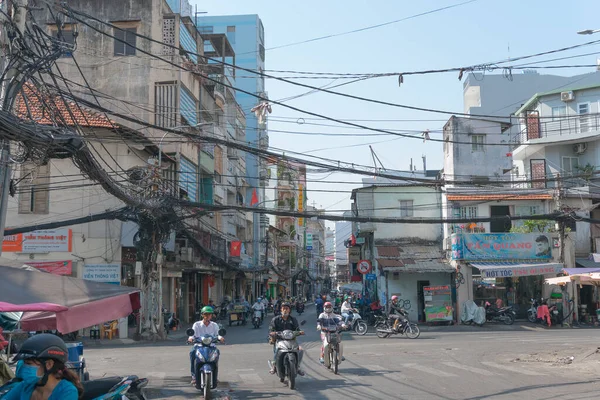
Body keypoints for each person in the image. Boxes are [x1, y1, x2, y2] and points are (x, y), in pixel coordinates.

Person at [3, 333, 82, 400]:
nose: (24, 367)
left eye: (29, 364)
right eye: (24, 363)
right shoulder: (26, 386)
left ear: (49, 364)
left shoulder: (67, 391)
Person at [188, 306, 225, 386]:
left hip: (211, 346)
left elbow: (217, 334)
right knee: (192, 352)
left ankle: (215, 376)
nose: (207, 316)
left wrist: (220, 338)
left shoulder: (214, 325)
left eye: (209, 314)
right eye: (206, 314)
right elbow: (192, 335)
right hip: (199, 346)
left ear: (211, 316)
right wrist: (190, 338)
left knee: (217, 353)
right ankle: (194, 376)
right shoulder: (197, 325)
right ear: (202, 315)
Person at [268, 302, 305, 376]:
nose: (285, 310)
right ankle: (274, 366)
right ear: (281, 310)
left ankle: (297, 366)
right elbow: (271, 330)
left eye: (287, 309)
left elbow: (297, 329)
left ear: (289, 310)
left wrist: (300, 332)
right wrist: (273, 334)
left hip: (292, 340)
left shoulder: (293, 319)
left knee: (300, 350)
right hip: (280, 340)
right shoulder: (275, 319)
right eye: (283, 308)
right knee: (277, 349)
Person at [317, 301, 346, 368]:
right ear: (324, 307)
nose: (328, 308)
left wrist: (343, 324)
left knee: (338, 342)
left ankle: (340, 354)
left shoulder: (334, 315)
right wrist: (319, 326)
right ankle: (322, 356)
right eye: (327, 307)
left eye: (329, 307)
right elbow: (319, 321)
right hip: (325, 332)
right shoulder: (322, 315)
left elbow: (339, 321)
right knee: (324, 344)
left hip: (334, 332)